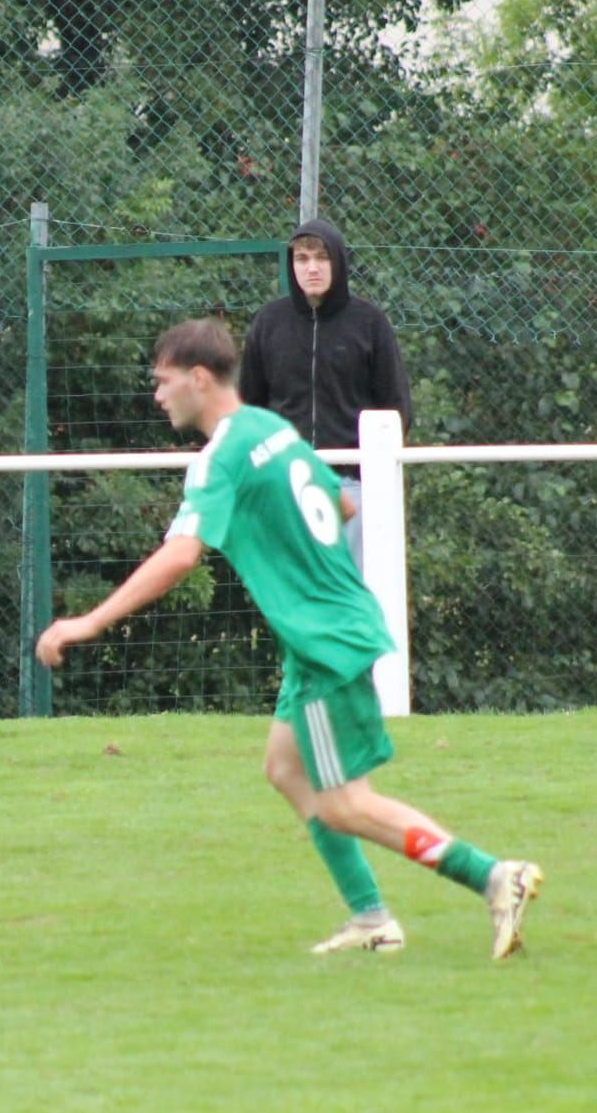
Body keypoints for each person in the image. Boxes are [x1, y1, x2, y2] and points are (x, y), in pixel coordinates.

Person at [35, 318, 542, 959]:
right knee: (284, 768)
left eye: (162, 382)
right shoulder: (274, 430)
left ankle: (495, 876)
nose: (157, 395)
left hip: (324, 641)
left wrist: (87, 621)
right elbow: (343, 506)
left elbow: (181, 555)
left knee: (343, 804)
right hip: (326, 631)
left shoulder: (219, 457)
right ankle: (369, 918)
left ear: (198, 378)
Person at [240, 217, 412, 569]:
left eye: (321, 258)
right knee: (296, 598)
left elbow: (396, 409)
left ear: (339, 261)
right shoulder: (268, 323)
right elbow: (249, 409)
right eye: (302, 259)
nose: (312, 268)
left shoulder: (370, 323)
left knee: (356, 595)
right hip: (285, 487)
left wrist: (372, 471)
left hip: (354, 486)